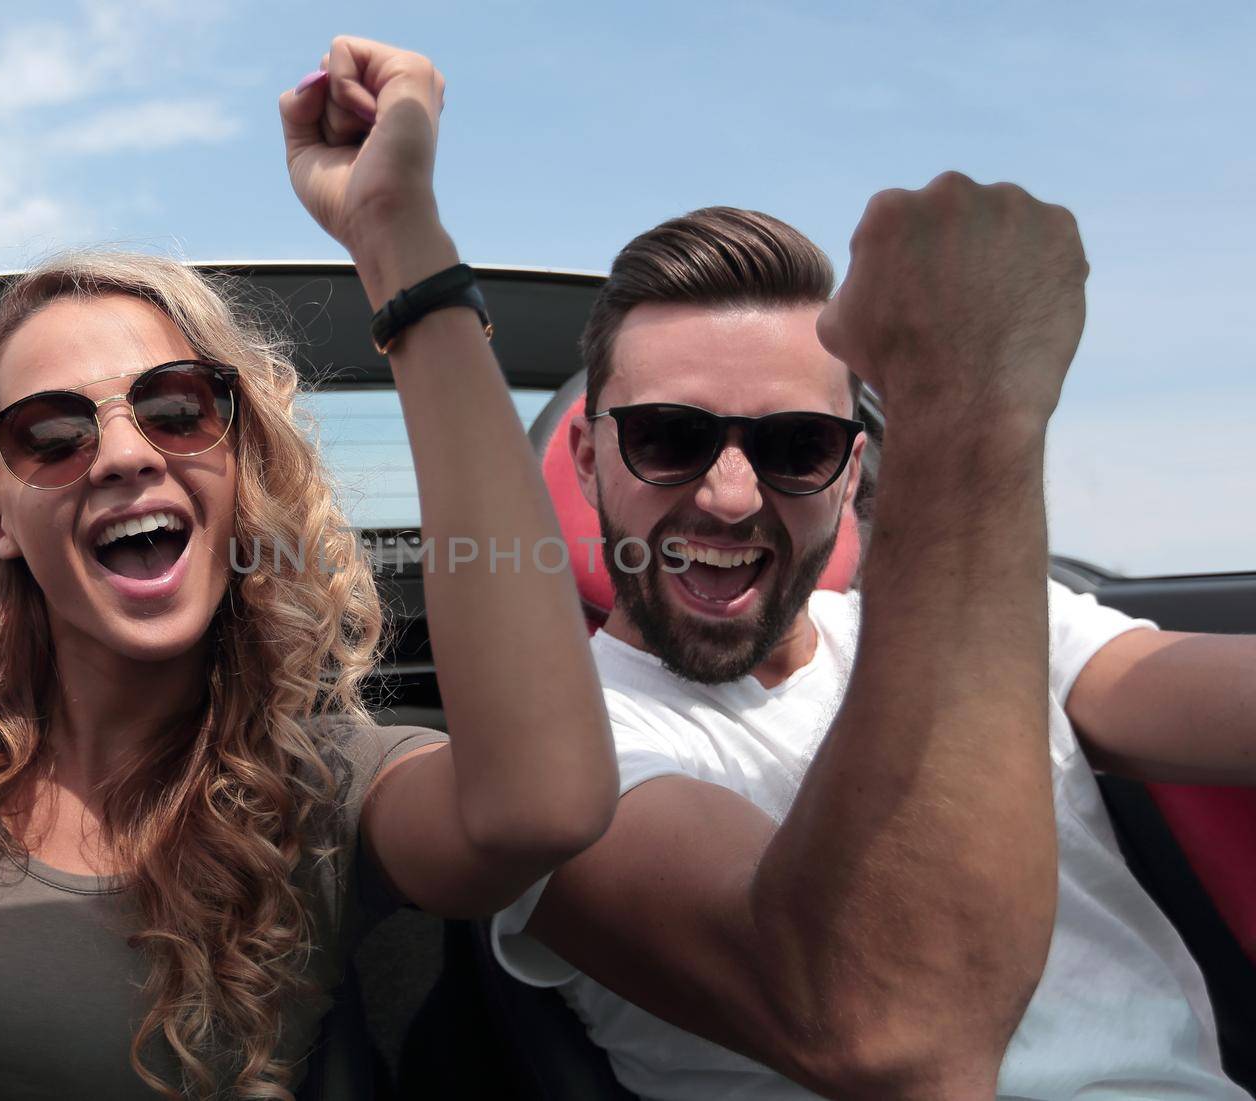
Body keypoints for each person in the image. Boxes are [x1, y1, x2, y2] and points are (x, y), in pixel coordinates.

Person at [0, 37, 617, 1101]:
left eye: (174, 409)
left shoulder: (325, 783)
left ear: (239, 467)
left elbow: (538, 812)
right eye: (50, 433)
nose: (122, 452)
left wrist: (400, 245)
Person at [491, 192, 1256, 1099]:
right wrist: (967, 399)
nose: (730, 497)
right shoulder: (551, 750)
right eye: (669, 436)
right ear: (585, 458)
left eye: (798, 444)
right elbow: (890, 1031)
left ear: (850, 469)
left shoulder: (986, 620)